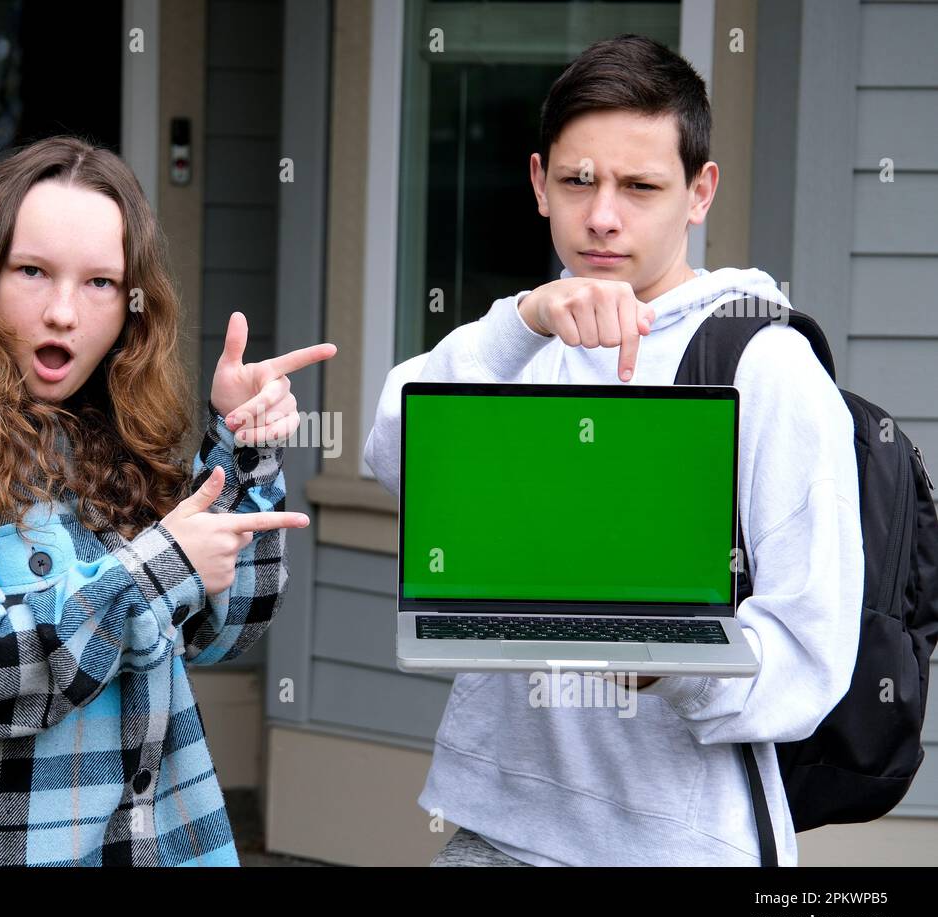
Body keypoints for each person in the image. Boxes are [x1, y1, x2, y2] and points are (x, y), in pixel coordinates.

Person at [363, 35, 863, 867]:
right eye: (577, 181)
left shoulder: (766, 366)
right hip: (496, 823)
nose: (602, 215)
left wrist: (663, 666)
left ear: (700, 193)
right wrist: (518, 321)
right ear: (538, 183)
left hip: (674, 843)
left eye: (640, 187)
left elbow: (811, 660)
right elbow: (392, 454)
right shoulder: (523, 338)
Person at [0, 134, 335, 866]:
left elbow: (221, 631)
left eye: (100, 283)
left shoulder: (122, 431)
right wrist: (155, 568)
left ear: (133, 306)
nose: (64, 312)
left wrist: (241, 445)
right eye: (32, 271)